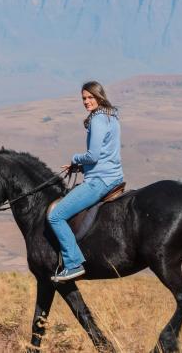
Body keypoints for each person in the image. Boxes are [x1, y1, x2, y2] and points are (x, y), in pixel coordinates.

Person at [48, 81, 124, 282]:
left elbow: (93, 155)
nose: (86, 102)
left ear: (99, 97)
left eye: (90, 97)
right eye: (84, 98)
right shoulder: (112, 117)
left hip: (99, 181)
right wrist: (80, 168)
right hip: (113, 176)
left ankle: (73, 264)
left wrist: (75, 159)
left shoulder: (98, 119)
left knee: (56, 216)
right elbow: (106, 154)